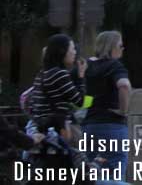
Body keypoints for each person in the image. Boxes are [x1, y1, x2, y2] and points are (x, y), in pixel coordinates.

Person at [82, 31, 132, 173]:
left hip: (89, 125)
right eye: (120, 45)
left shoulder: (86, 66)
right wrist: (123, 111)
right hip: (112, 126)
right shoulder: (114, 65)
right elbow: (124, 85)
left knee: (91, 174)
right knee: (114, 172)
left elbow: (84, 95)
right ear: (111, 46)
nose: (123, 48)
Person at [29, 35, 86, 137]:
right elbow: (80, 102)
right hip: (59, 129)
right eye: (72, 48)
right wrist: (81, 77)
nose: (75, 52)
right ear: (62, 51)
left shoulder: (41, 74)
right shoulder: (59, 74)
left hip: (42, 129)